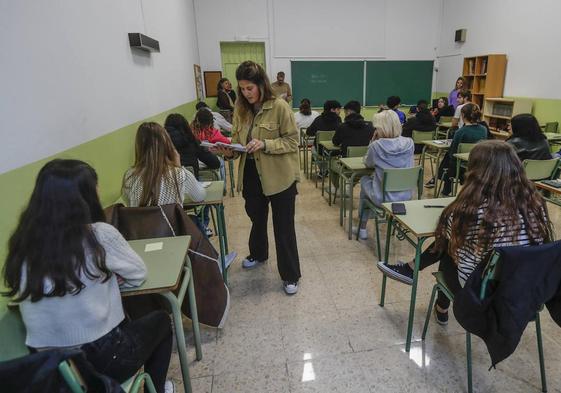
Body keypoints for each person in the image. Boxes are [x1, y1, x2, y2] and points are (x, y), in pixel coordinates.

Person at [2, 159, 175, 393]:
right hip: (99, 360)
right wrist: (109, 276)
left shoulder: (22, 244)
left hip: (52, 370)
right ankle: (157, 389)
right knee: (162, 320)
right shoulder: (98, 235)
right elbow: (138, 273)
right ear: (83, 197)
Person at [378, 140, 553, 325]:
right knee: (454, 243)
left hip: (481, 292)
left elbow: (448, 239)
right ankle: (414, 273)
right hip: (524, 291)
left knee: (448, 247)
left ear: (476, 171)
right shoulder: (535, 204)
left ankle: (435, 299)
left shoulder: (471, 210)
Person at [213, 61, 301, 295]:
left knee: (284, 227)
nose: (245, 93)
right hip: (252, 175)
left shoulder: (280, 107)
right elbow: (237, 142)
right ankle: (259, 253)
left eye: (249, 88)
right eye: (242, 89)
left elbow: (293, 142)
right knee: (257, 219)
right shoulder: (240, 111)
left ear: (261, 84)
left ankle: (291, 275)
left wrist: (265, 144)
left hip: (280, 176)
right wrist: (229, 151)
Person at [356, 110, 414, 239]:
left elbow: (368, 163)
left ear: (380, 128)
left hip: (383, 198)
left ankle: (362, 228)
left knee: (365, 180)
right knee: (373, 181)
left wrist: (372, 141)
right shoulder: (410, 143)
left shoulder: (376, 146)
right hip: (405, 195)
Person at [122, 122, 206, 207]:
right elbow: (200, 196)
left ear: (138, 147)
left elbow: (129, 205)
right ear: (166, 145)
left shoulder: (129, 176)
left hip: (140, 220)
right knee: (195, 218)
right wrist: (178, 167)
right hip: (170, 220)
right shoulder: (180, 174)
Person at [433, 103, 488, 195]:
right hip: (478, 164)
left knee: (447, 161)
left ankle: (445, 189)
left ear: (462, 115)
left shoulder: (460, 132)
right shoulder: (484, 129)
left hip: (461, 166)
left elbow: (453, 153)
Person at [164, 113, 220, 178]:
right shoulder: (192, 140)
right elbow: (215, 163)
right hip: (192, 181)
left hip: (168, 184)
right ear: (185, 126)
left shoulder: (161, 145)